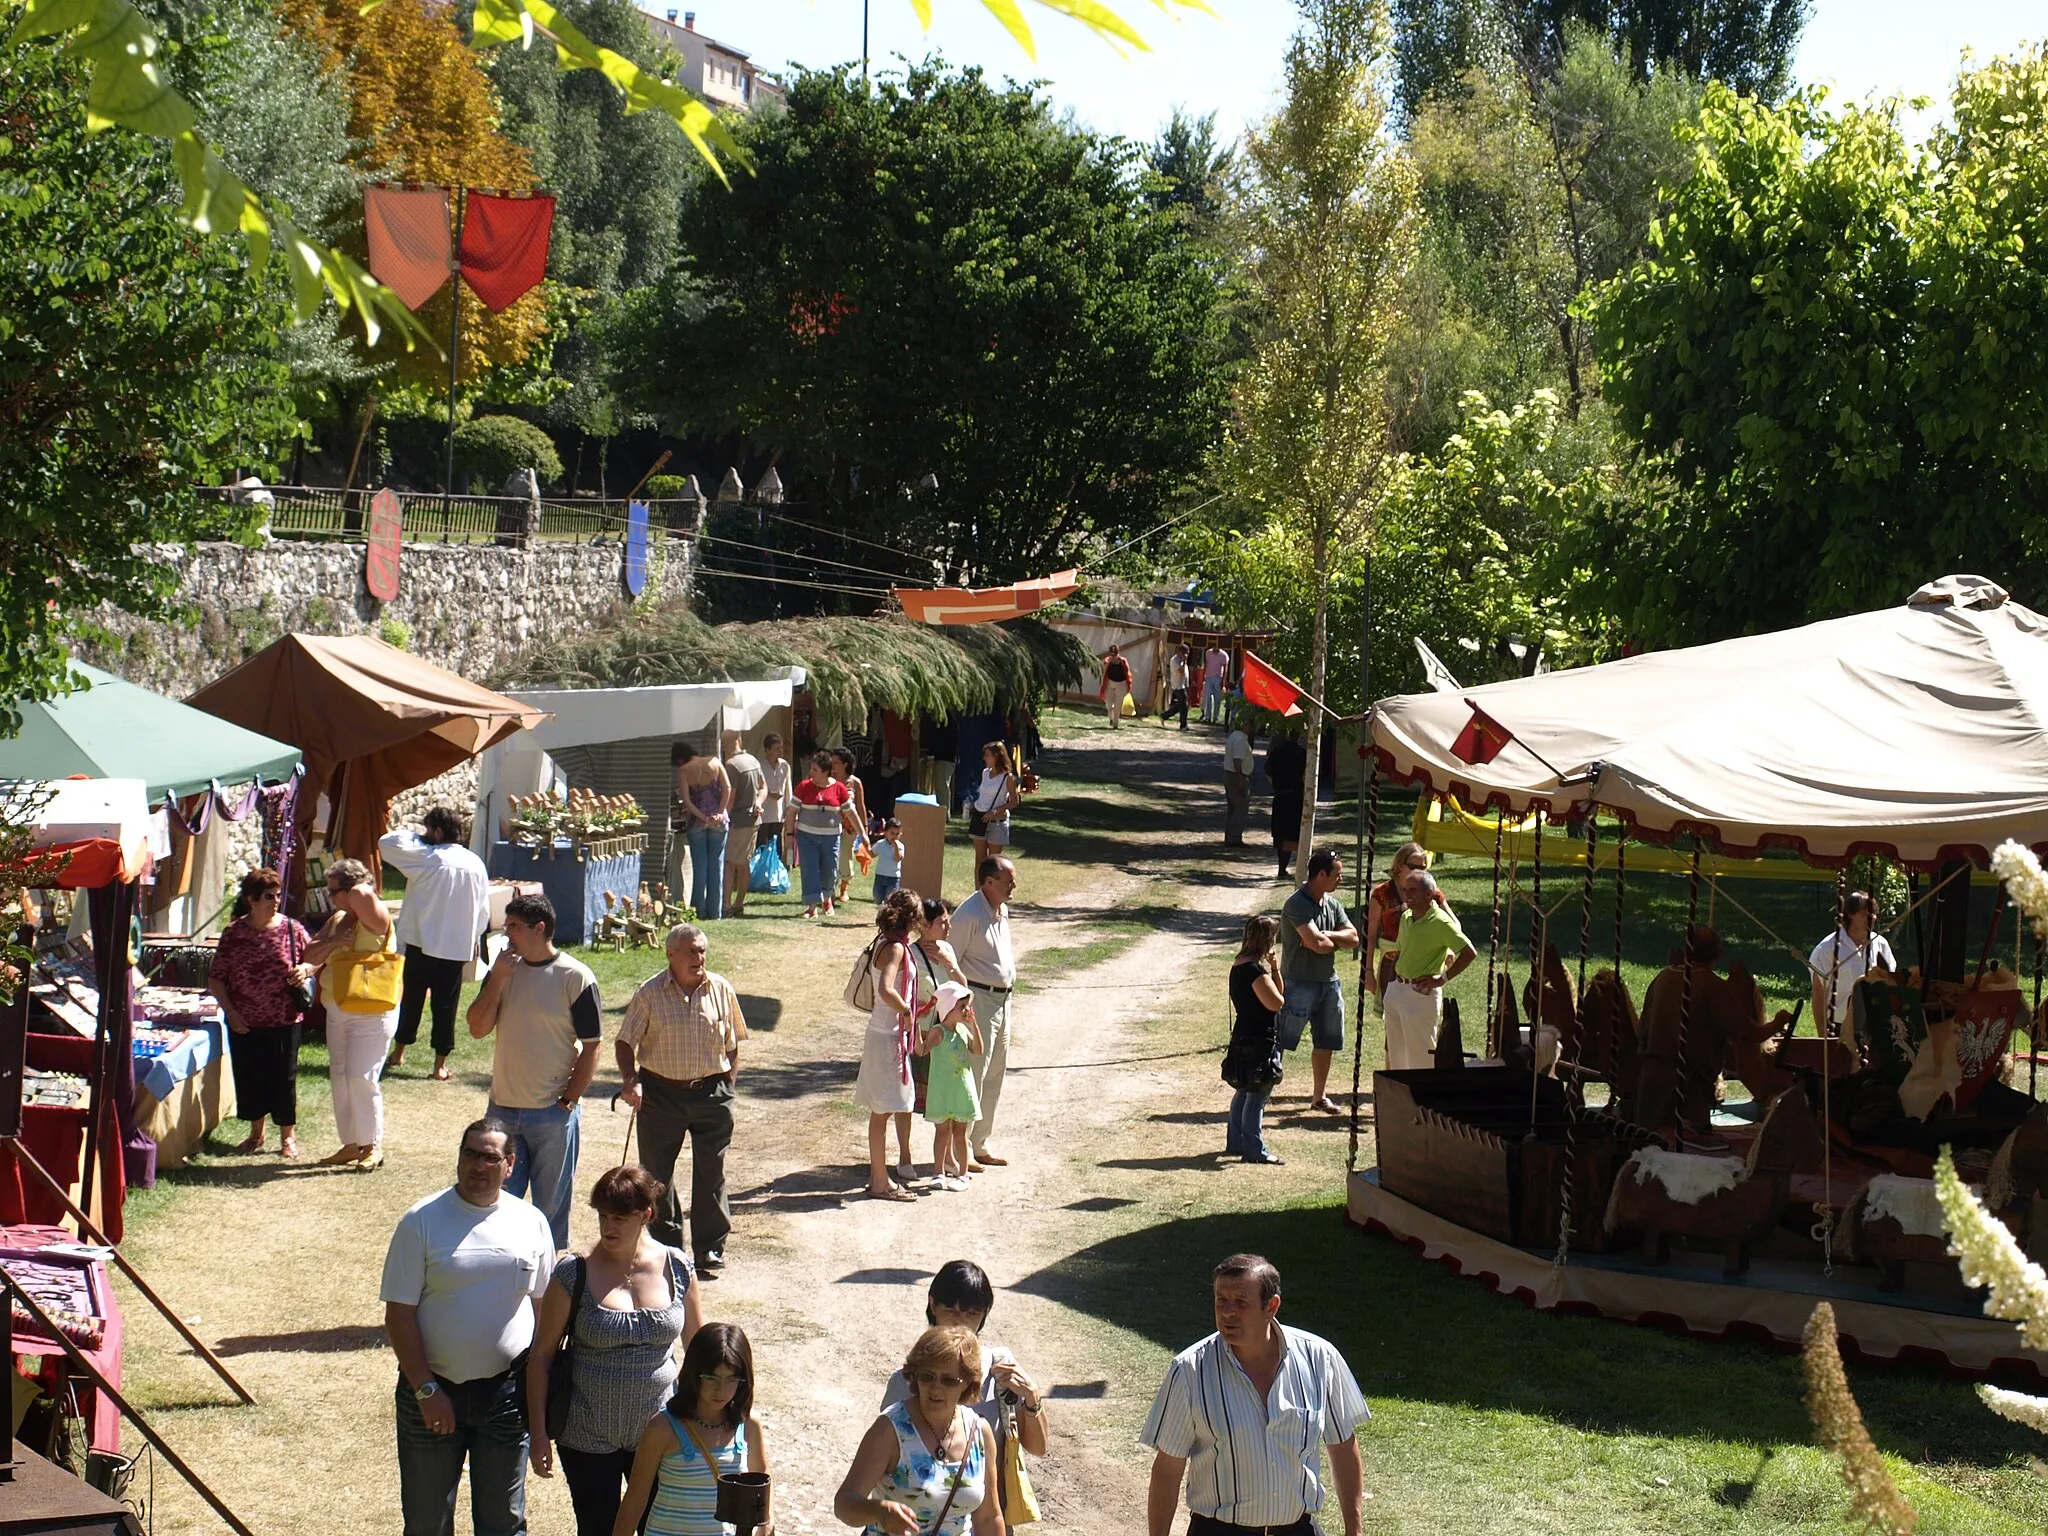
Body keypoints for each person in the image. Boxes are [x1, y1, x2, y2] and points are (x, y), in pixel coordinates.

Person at [382, 1118, 557, 1536]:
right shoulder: (421, 1221)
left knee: (503, 1522)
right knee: (427, 1522)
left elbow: (544, 1312)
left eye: (490, 1157)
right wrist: (426, 1390)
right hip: (432, 1393)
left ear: (510, 1165)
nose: (478, 1166)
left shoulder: (530, 1222)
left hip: (505, 1396)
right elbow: (399, 1314)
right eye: (470, 1154)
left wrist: (539, 1403)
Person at [526, 1165, 704, 1536]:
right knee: (597, 1529)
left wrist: (707, 1424)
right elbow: (540, 1357)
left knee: (661, 1529)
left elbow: (698, 1350)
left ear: (647, 1215)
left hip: (661, 1431)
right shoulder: (573, 1272)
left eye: (620, 1217)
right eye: (603, 1216)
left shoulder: (678, 1267)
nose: (608, 1226)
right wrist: (539, 1433)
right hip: (586, 1435)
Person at [1142, 1254, 1368, 1536]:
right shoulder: (1190, 1371)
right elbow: (1167, 1469)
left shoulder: (1319, 1359)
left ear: (1271, 1306)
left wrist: (1354, 1530)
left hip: (1298, 1529)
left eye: (1241, 1302)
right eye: (1221, 1300)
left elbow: (1343, 1447)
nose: (1227, 1312)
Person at [467, 892, 605, 1250]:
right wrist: (496, 979)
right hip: (502, 1110)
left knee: (549, 1211)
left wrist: (569, 1101)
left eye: (513, 927)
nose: (506, 934)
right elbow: (477, 1028)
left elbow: (593, 1045)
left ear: (539, 928)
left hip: (551, 1115)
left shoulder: (575, 976)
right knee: (495, 1204)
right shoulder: (502, 972)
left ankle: (548, 1288)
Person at [616, 924, 749, 1274]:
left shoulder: (721, 989)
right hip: (660, 1094)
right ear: (670, 954)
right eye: (690, 951)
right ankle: (667, 1245)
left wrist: (727, 1085)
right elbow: (625, 1041)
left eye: (702, 950)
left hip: (711, 1094)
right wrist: (631, 1080)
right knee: (657, 1174)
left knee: (712, 1171)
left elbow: (733, 1043)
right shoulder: (649, 993)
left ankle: (710, 1248)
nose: (698, 957)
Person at [880, 1260, 1050, 1511]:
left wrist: (1032, 1400)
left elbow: (1038, 1447)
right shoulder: (905, 1381)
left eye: (972, 1313)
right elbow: (879, 1465)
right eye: (951, 1310)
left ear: (984, 1314)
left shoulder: (1000, 1373)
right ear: (933, 1305)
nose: (961, 1322)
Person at [835, 1326, 1001, 1536]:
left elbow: (988, 1518)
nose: (936, 1387)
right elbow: (844, 1503)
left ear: (967, 1383)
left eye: (949, 1380)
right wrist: (879, 1511)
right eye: (927, 1376)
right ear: (914, 1376)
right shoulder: (890, 1429)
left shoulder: (979, 1432)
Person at [613, 1324, 772, 1536]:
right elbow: (634, 1502)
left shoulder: (749, 1425)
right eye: (712, 1378)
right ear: (694, 1373)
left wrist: (767, 1527)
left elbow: (762, 1494)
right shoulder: (662, 1427)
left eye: (731, 1379)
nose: (721, 1390)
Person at [208, 866, 313, 1158]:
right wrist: (229, 1011)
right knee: (251, 1076)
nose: (275, 901)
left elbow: (315, 959)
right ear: (252, 900)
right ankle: (256, 1133)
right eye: (269, 895)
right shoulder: (234, 933)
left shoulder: (292, 929)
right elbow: (216, 977)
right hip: (245, 1020)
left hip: (284, 1018)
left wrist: (306, 969)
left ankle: (288, 1137)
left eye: (278, 895)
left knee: (284, 1077)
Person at [303, 856, 400, 1170]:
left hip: (372, 1010)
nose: (330, 897)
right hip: (338, 1006)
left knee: (362, 1078)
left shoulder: (372, 909)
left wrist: (352, 886)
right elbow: (310, 953)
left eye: (334, 891)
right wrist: (333, 939)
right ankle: (352, 1143)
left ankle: (372, 1146)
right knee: (341, 1077)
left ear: (351, 888)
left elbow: (360, 891)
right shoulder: (338, 918)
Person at [382, 806, 492, 1080]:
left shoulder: (427, 858)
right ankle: (438, 1065)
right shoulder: (475, 863)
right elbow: (483, 909)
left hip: (422, 941)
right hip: (454, 946)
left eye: (430, 829)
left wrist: (419, 838)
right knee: (446, 1006)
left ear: (438, 831)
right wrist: (476, 936)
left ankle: (399, 1052)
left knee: (412, 1000)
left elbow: (388, 842)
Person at [1277, 850, 1360, 1113]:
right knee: (1280, 1039)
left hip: (1328, 983)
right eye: (1337, 874)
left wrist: (1326, 935)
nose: (1341, 879)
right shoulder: (1297, 904)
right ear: (1321, 875)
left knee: (1326, 1042)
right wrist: (1329, 940)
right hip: (1298, 983)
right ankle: (1260, 1088)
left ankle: (1319, 1096)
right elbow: (1318, 946)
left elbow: (1354, 938)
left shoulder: (1333, 905)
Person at [856, 890, 926, 1202]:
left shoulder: (883, 942)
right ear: (911, 919)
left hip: (879, 1033)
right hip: (887, 1037)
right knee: (883, 1111)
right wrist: (907, 1011)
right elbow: (886, 989)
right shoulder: (896, 947)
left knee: (879, 1111)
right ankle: (881, 1182)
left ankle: (877, 1176)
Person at [951, 858, 1017, 1170]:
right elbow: (949, 959)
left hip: (1003, 1002)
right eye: (1008, 881)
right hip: (978, 1002)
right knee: (974, 1073)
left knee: (994, 1074)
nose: (1013, 886)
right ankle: (959, 1148)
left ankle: (980, 1143)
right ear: (989, 882)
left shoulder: (1001, 908)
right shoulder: (968, 914)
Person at [1384, 870, 1477, 1071]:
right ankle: (1401, 1100)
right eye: (1405, 890)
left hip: (1420, 994)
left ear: (1429, 894)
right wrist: (1391, 983)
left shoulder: (1441, 922)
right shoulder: (1406, 916)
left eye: (1413, 890)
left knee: (1421, 1059)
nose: (1407, 895)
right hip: (1396, 990)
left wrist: (1441, 979)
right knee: (1397, 1056)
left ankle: (1422, 1101)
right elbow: (1400, 951)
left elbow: (1469, 952)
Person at [1223, 916, 1288, 1164]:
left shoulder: (1239, 964)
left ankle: (1236, 1141)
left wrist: (1274, 968)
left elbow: (1277, 991)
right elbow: (1277, 1002)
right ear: (1266, 939)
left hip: (1243, 1035)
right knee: (1257, 1094)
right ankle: (1254, 1149)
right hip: (1260, 1040)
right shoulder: (1253, 971)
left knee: (1243, 1090)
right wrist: (1267, 972)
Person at [920, 981, 983, 1189]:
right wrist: (912, 1026)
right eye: (961, 1006)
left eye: (966, 1006)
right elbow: (921, 1051)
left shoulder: (963, 1031)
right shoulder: (939, 1032)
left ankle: (963, 1175)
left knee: (960, 1133)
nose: (966, 1011)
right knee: (942, 1131)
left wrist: (973, 1025)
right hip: (942, 1090)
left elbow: (978, 1050)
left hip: (960, 1090)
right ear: (947, 1009)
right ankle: (938, 1172)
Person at [1363, 843, 1442, 1003]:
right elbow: (1370, 935)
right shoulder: (1382, 894)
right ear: (1400, 865)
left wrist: (1447, 950)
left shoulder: (1429, 892)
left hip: (1422, 963)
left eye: (1423, 868)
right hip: (1391, 963)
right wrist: (1368, 970)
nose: (1419, 871)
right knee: (1392, 1017)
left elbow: (1453, 923)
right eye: (1414, 866)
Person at [789, 751, 862, 918]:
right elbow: (792, 812)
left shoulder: (839, 788)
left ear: (825, 772)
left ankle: (827, 898)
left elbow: (851, 813)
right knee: (809, 870)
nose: (811, 773)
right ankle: (812, 907)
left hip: (831, 837)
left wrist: (863, 833)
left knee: (830, 870)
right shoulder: (804, 786)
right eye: (811, 769)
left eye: (815, 770)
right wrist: (789, 835)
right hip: (806, 835)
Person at [1810, 890, 1897, 1030]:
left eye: (1874, 914)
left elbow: (1892, 984)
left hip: (1876, 1025)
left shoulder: (1880, 944)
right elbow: (1818, 994)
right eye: (1865, 914)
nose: (1872, 918)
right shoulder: (1827, 948)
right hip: (1839, 1026)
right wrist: (1822, 1033)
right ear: (1850, 914)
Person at [674, 746, 733, 922]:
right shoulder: (715, 762)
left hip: (697, 822)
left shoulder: (684, 770)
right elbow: (727, 788)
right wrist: (720, 812)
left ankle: (698, 909)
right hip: (719, 821)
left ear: (679, 759)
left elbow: (686, 800)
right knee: (716, 866)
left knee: (700, 867)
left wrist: (703, 817)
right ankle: (715, 912)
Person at [721, 731, 767, 919]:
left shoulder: (732, 765)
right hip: (753, 819)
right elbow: (764, 787)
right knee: (744, 863)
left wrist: (723, 817)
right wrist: (758, 802)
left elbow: (730, 797)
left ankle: (726, 906)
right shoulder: (753, 760)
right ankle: (738, 903)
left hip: (738, 821)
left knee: (730, 863)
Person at [968, 742, 1020, 872]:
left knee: (993, 863)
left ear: (996, 756)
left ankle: (992, 891)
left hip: (997, 822)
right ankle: (978, 891)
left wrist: (996, 811)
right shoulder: (985, 773)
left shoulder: (1007, 778)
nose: (984, 758)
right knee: (980, 860)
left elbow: (1014, 802)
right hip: (980, 817)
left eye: (987, 755)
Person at [831, 749, 873, 905]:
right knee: (832, 856)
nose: (833, 765)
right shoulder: (829, 780)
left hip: (850, 826)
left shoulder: (855, 782)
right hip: (832, 825)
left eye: (836, 762)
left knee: (845, 855)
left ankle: (844, 888)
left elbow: (860, 806)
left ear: (845, 764)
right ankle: (830, 890)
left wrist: (864, 828)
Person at [1265, 728, 1308, 880]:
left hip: (1280, 795)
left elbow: (1267, 770)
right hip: (1295, 796)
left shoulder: (1276, 753)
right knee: (1291, 834)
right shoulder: (1302, 754)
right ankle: (1290, 868)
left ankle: (1281, 867)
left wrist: (1277, 782)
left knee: (1280, 833)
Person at [758, 733, 792, 869]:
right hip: (764, 813)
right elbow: (757, 788)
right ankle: (762, 869)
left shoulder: (784, 765)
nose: (779, 751)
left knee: (777, 842)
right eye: (776, 748)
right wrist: (769, 794)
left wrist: (789, 807)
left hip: (779, 812)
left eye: (780, 748)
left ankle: (777, 869)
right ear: (767, 750)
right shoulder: (760, 766)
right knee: (763, 842)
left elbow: (788, 787)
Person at [1222, 724, 1254, 847]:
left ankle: (1230, 836)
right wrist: (1240, 779)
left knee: (1233, 807)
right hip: (1236, 775)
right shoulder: (1240, 739)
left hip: (1231, 774)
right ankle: (1234, 837)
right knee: (1240, 807)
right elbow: (1237, 760)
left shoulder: (1234, 736)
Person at [873, 818, 906, 903]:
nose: (894, 836)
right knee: (877, 897)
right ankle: (880, 909)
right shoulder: (880, 844)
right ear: (885, 832)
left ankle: (887, 913)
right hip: (880, 875)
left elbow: (897, 859)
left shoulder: (900, 846)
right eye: (892, 833)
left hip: (893, 878)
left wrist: (895, 847)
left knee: (890, 900)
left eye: (897, 834)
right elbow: (872, 853)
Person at [1100, 645, 1134, 728]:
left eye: (1114, 654)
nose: (1113, 657)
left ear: (1118, 653)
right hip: (1110, 682)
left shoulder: (1123, 661)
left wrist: (1129, 685)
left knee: (1118, 704)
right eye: (1111, 654)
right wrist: (1108, 663)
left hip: (1121, 683)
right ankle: (1111, 717)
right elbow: (1104, 672)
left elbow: (1128, 673)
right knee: (1108, 703)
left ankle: (1115, 724)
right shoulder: (1107, 660)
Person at [1200, 642, 1230, 724]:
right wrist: (1204, 676)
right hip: (1209, 677)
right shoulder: (1208, 653)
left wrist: (1223, 681)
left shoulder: (1224, 655)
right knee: (1208, 696)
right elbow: (1206, 664)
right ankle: (1208, 717)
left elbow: (1225, 669)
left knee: (1217, 698)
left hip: (1218, 677)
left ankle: (1215, 717)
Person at [1167, 643, 1193, 731]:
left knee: (1181, 705)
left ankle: (1164, 715)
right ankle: (1183, 725)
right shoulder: (1175, 660)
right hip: (1177, 685)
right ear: (1181, 653)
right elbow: (1181, 672)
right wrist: (1185, 661)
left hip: (1183, 685)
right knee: (1184, 706)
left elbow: (1185, 674)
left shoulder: (1181, 660)